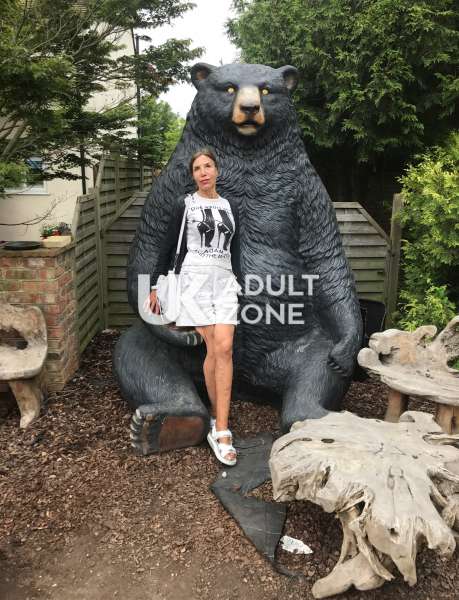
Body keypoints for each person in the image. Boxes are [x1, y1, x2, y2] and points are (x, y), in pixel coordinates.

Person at [148, 148, 241, 466]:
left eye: (208, 166)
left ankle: (217, 417)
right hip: (194, 281)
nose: (203, 172)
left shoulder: (230, 206)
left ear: (217, 170)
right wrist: (155, 285)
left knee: (223, 347)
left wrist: (239, 280)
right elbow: (167, 245)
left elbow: (236, 248)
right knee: (216, 347)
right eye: (197, 168)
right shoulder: (185, 204)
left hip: (224, 281)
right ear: (193, 175)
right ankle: (222, 430)